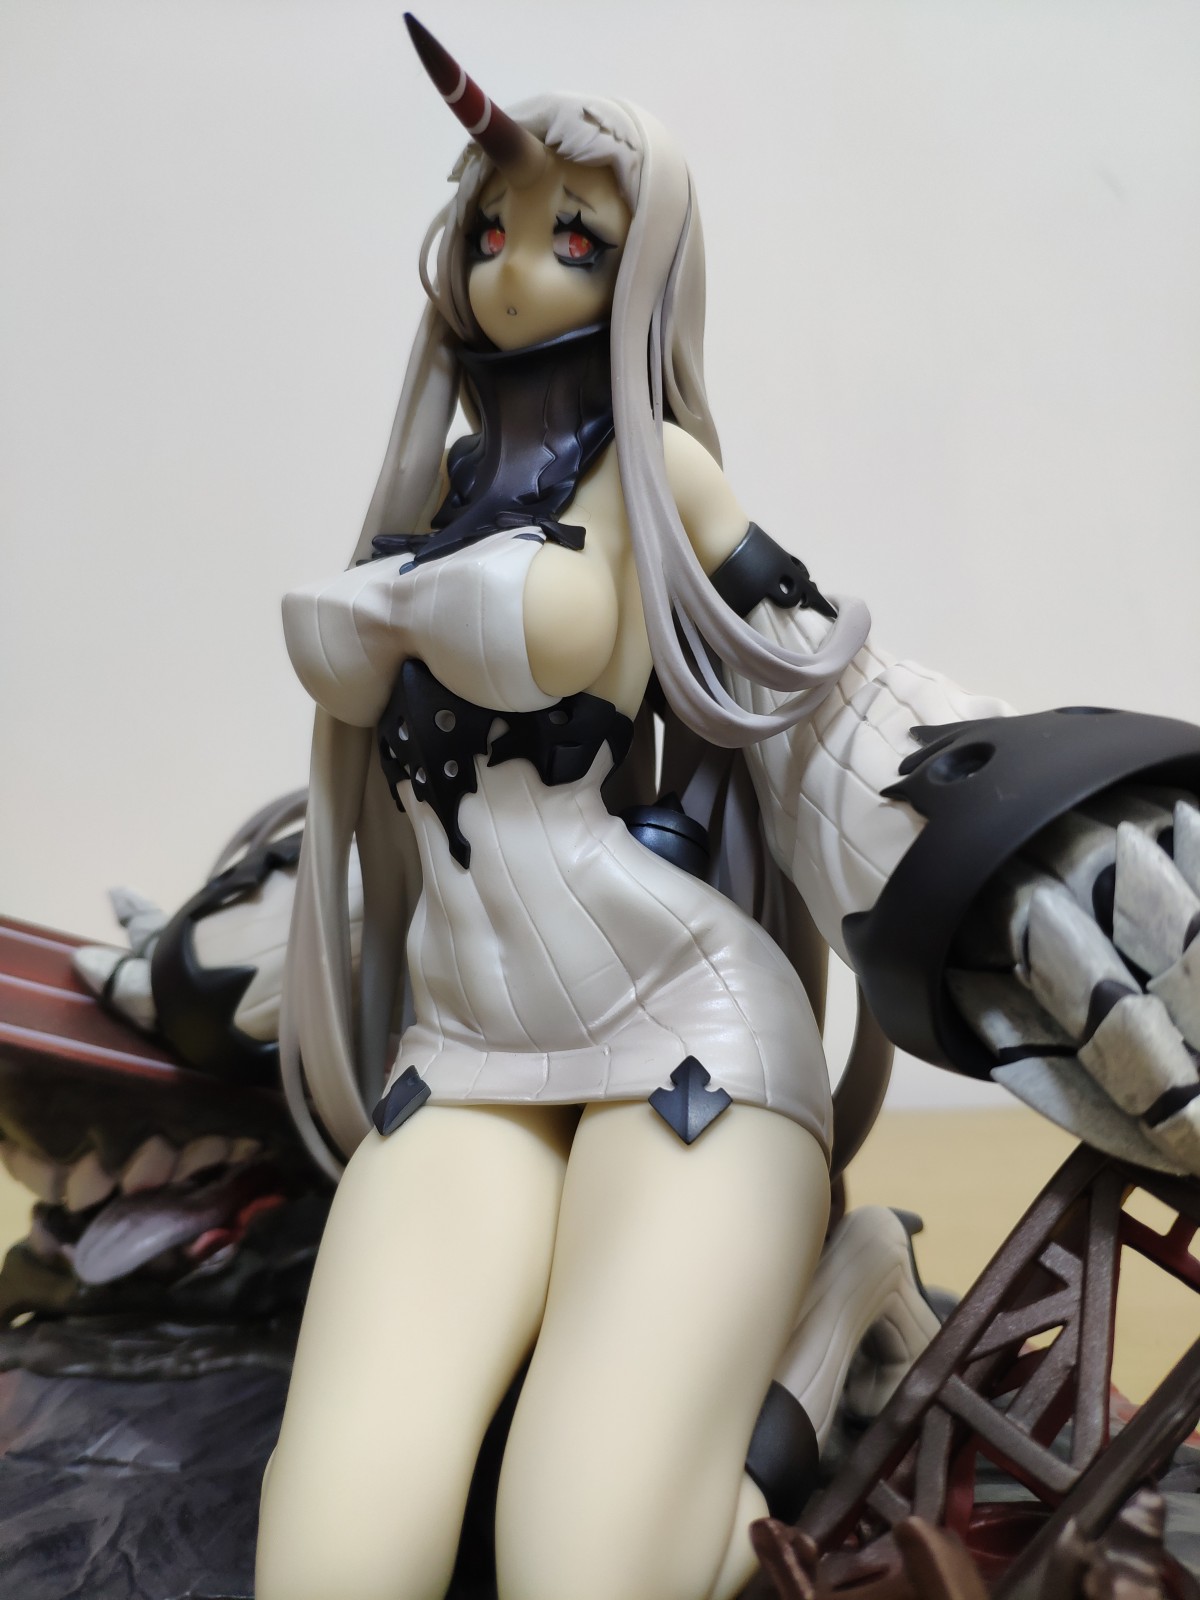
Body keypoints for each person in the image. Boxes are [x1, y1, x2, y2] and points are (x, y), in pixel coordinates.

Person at [249, 17, 1200, 1600]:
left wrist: (1017, 829)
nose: (513, 267)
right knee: (334, 1549)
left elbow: (813, 667)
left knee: (587, 1566)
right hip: (461, 1054)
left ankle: (835, 1311)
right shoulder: (429, 500)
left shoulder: (661, 477)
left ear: (643, 268)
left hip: (680, 1033)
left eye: (573, 236)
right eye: (492, 229)